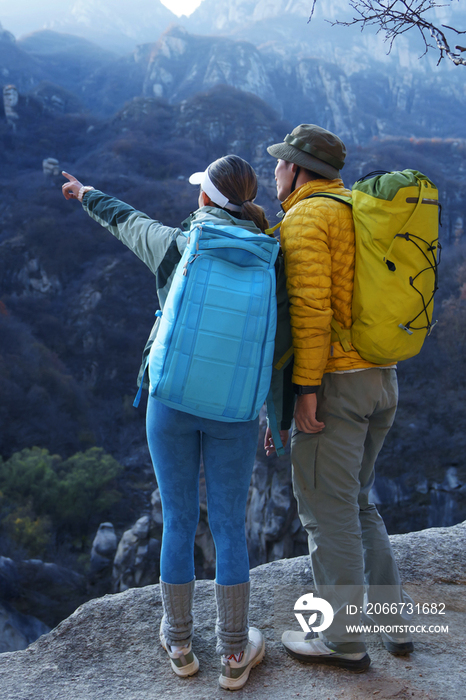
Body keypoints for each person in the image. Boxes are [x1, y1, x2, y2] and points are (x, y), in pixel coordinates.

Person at [62, 155, 292, 691]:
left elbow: (127, 220)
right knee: (232, 524)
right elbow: (283, 344)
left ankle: (182, 644)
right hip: (236, 411)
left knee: (180, 517)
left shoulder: (179, 246)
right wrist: (276, 414)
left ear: (207, 198)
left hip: (172, 402)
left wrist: (86, 192)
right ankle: (236, 655)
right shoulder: (273, 255)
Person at [266, 125, 413, 672]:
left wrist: (304, 393)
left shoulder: (308, 217)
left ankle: (344, 641)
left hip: (337, 384)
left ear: (299, 169)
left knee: (327, 515)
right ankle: (395, 628)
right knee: (356, 502)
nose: (275, 171)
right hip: (383, 379)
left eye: (281, 163)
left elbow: (310, 314)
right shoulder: (359, 207)